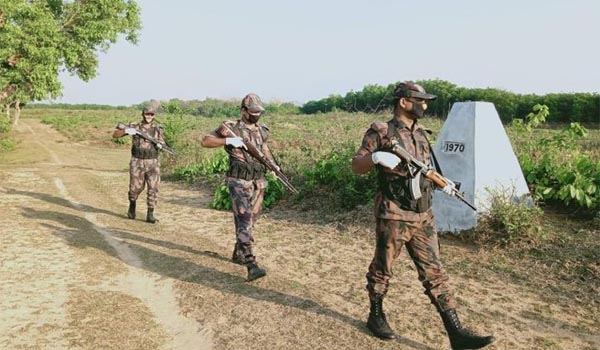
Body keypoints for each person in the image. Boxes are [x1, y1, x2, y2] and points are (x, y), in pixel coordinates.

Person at [351, 81, 495, 349]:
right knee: (383, 269)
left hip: (423, 214)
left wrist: (444, 183)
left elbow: (425, 170)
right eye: (420, 100)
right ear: (404, 102)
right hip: (393, 213)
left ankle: (456, 333)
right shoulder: (381, 132)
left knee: (435, 272)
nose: (425, 105)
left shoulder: (421, 134)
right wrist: (375, 158)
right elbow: (356, 166)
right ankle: (376, 315)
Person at [201, 93, 276, 282]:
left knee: (251, 220)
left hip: (258, 181)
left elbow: (264, 150)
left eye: (259, 112)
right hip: (239, 182)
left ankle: (239, 252)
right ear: (243, 111)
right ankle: (251, 264)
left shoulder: (262, 130)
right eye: (253, 112)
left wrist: (274, 166)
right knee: (244, 219)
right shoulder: (230, 128)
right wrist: (228, 141)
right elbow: (206, 141)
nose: (257, 115)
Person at [113, 100, 165, 224]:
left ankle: (150, 214)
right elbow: (115, 135)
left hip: (153, 162)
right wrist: (126, 131)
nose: (149, 117)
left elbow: (162, 142)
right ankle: (132, 206)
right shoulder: (135, 126)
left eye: (152, 114)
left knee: (153, 188)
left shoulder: (158, 129)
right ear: (143, 114)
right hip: (137, 161)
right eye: (147, 114)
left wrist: (160, 145)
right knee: (135, 188)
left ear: (154, 116)